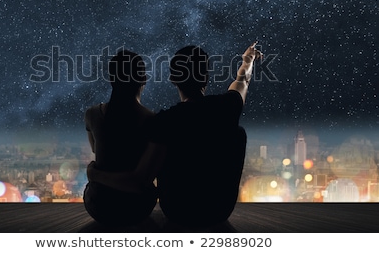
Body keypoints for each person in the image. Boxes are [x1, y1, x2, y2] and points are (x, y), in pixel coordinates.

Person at [88, 42, 262, 228]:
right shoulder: (228, 106)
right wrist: (248, 60)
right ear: (205, 77)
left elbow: (140, 180)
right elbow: (243, 80)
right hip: (221, 210)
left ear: (173, 79)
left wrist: (95, 174)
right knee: (237, 132)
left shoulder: (164, 121)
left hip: (179, 211)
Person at [83, 49, 157, 227]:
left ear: (111, 79)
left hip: (98, 205)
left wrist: (95, 174)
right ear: (143, 79)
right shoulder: (151, 119)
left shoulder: (92, 114)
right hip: (137, 207)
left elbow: (95, 148)